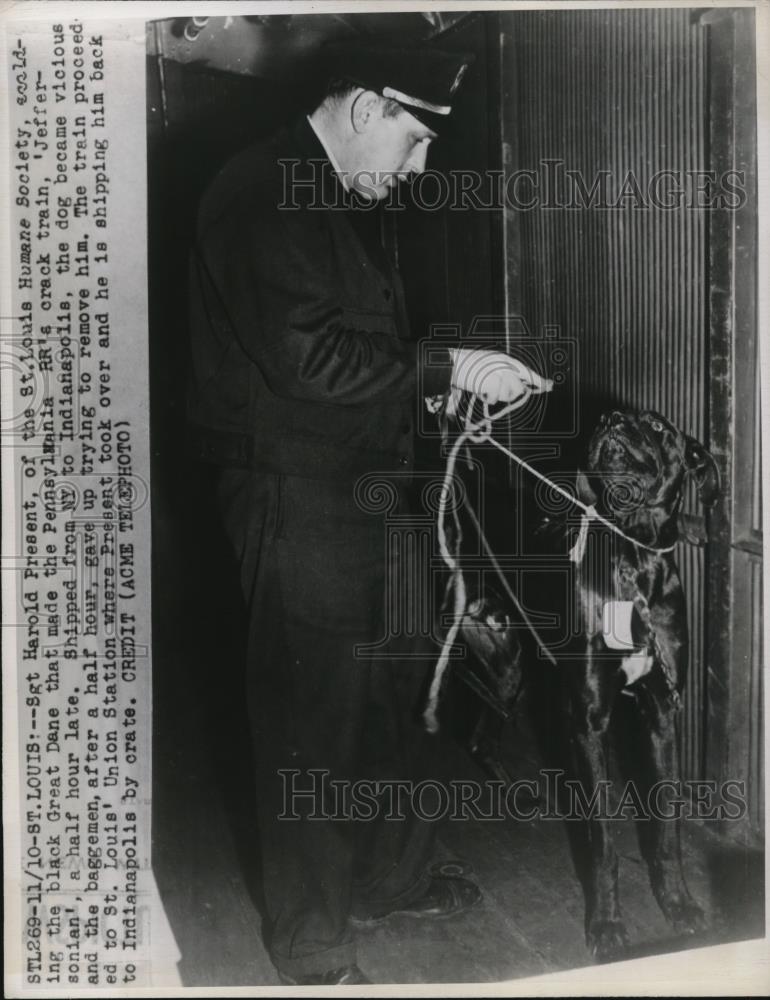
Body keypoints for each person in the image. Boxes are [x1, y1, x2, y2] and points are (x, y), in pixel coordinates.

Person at [187, 38, 552, 985]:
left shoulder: (323, 194)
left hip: (361, 490)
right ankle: (311, 949)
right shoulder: (259, 188)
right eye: (415, 143)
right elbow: (306, 362)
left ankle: (387, 879)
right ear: (363, 112)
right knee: (313, 719)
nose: (419, 169)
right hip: (296, 500)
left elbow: (350, 357)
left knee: (395, 695)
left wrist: (432, 388)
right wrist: (442, 368)